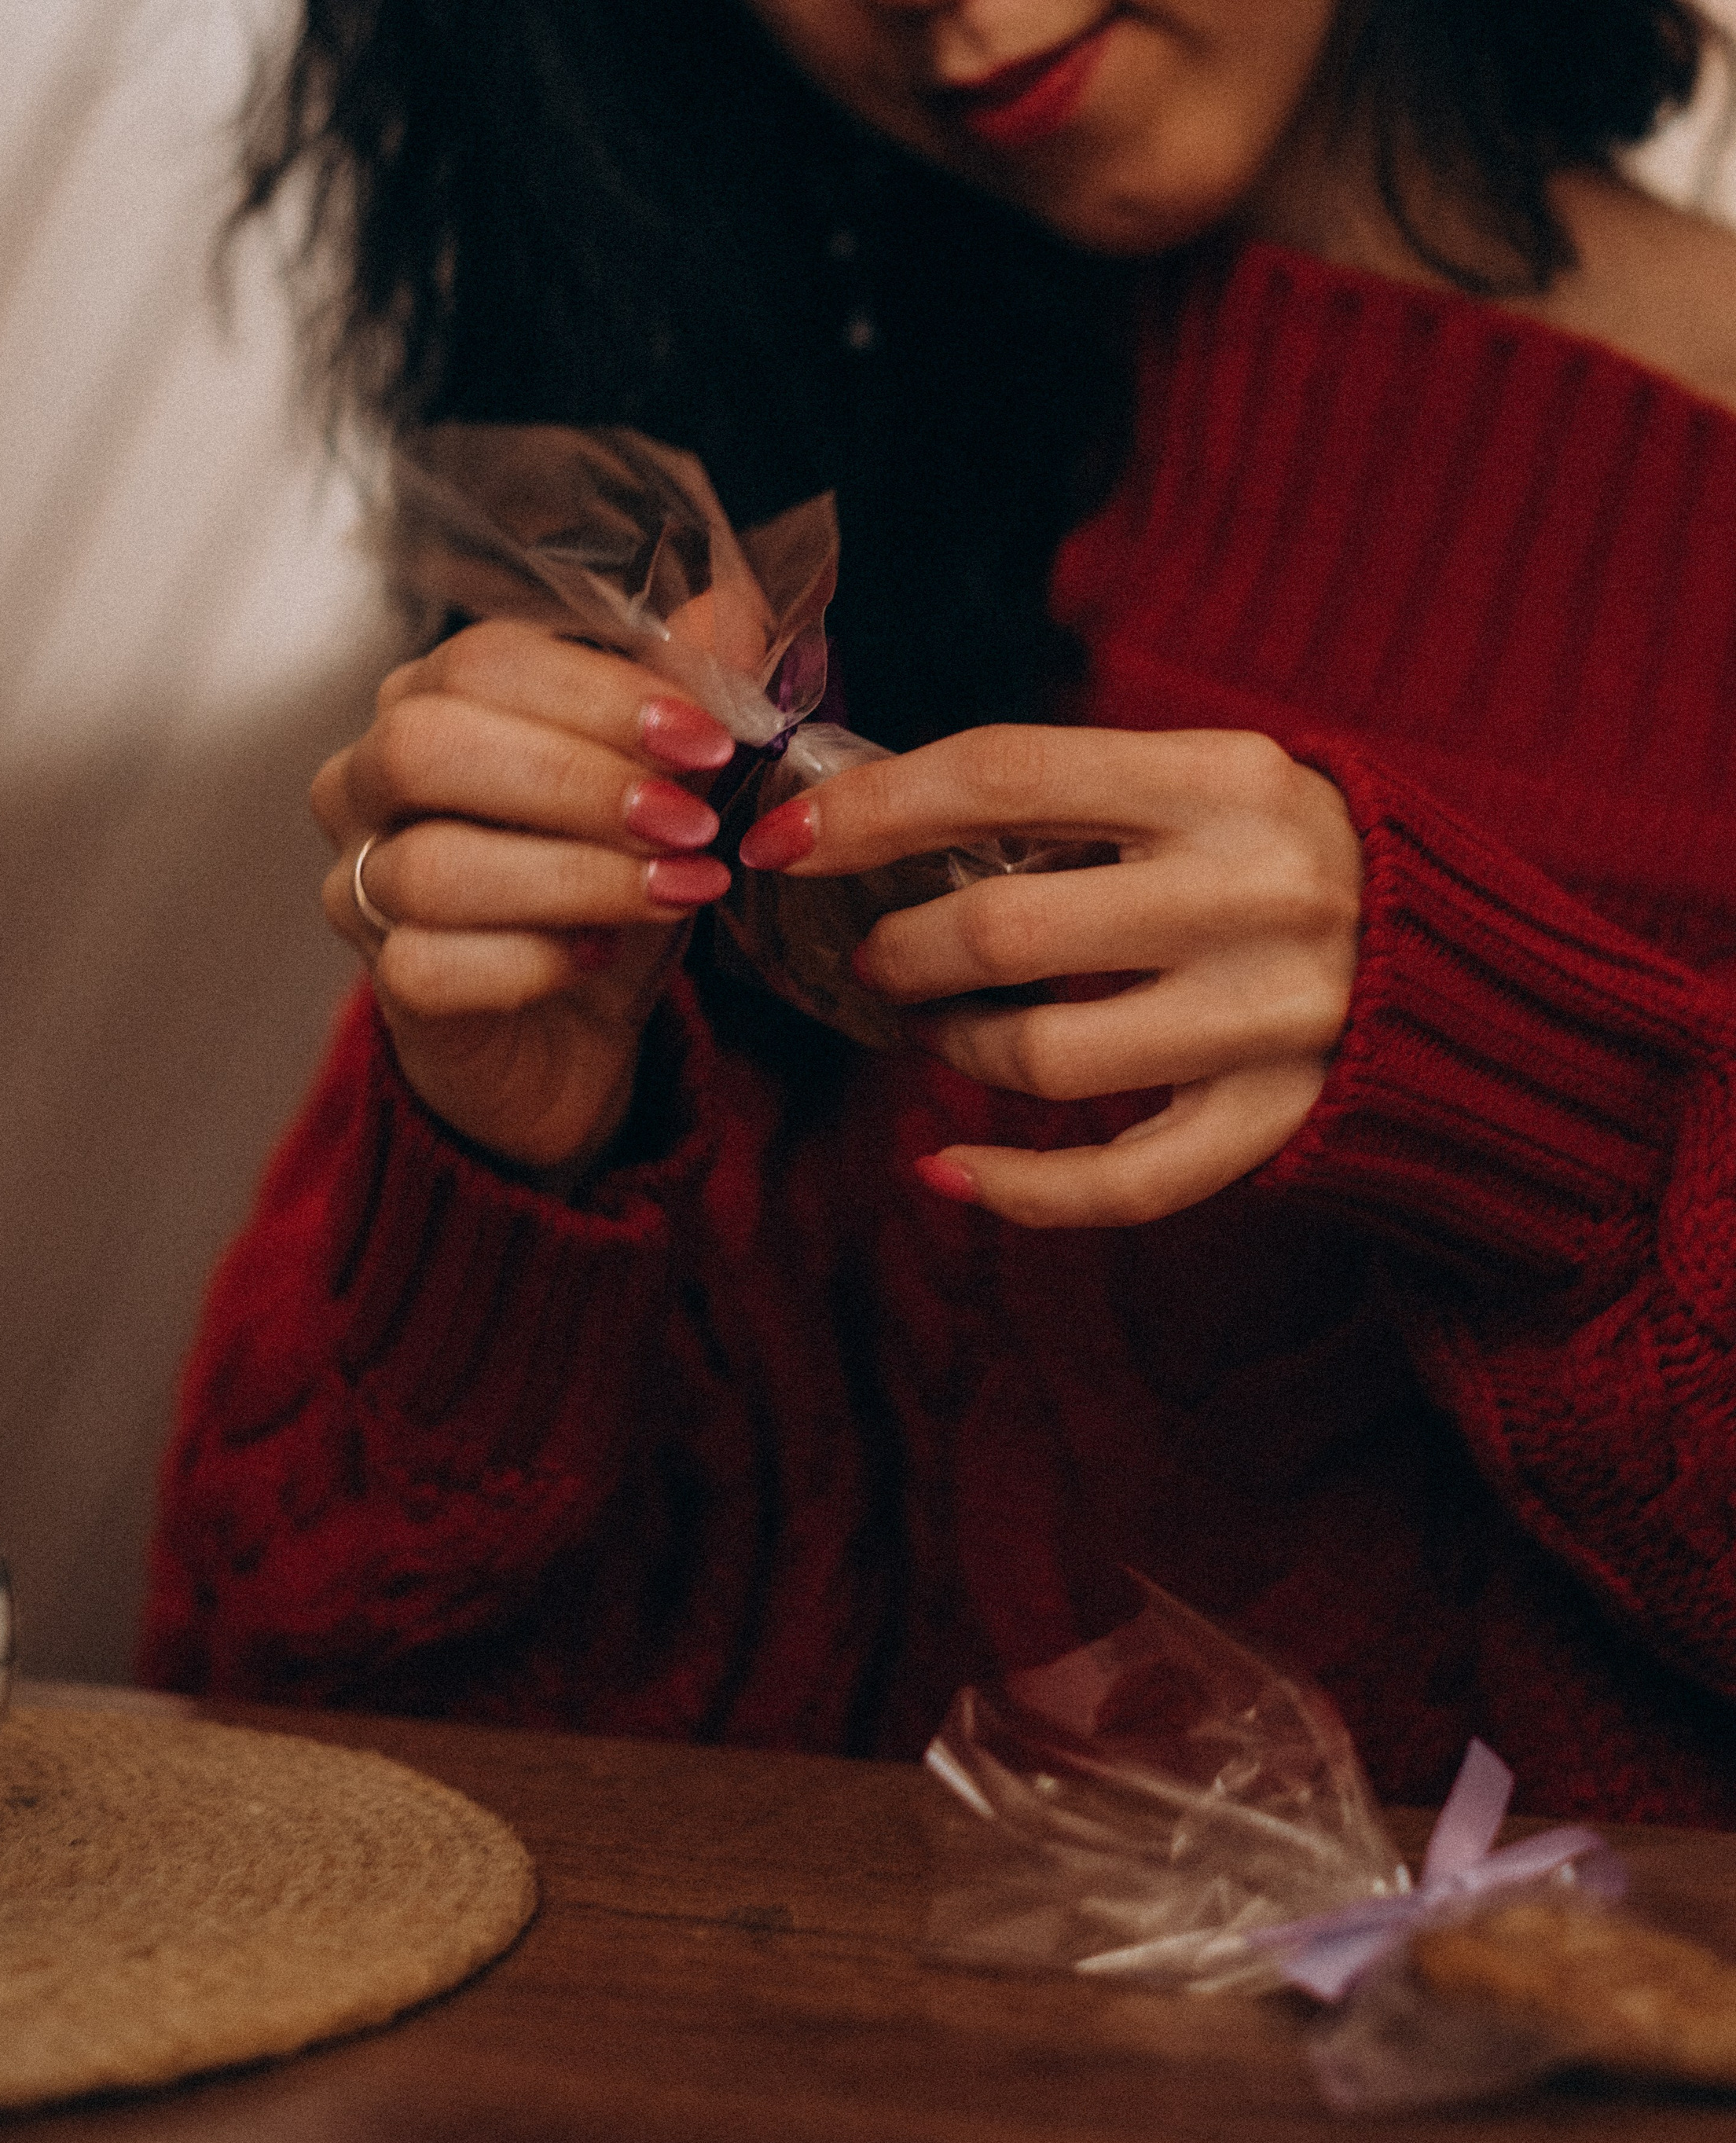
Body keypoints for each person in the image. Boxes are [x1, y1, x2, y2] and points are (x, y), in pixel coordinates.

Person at [141, 0, 1736, 1826]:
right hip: (786, 2094)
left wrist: (1526, 1093)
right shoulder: (730, 535)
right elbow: (270, 1760)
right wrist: (501, 1192)